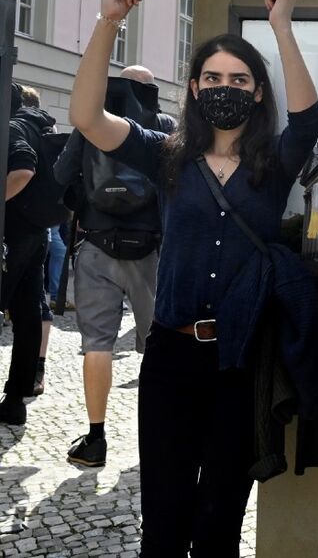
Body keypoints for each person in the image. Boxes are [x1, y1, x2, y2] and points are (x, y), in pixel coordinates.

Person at [69, 0, 318, 556]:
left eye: (239, 79)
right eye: (213, 78)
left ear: (259, 92)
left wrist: (281, 24)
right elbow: (87, 117)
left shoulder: (273, 162)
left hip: (241, 359)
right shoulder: (167, 153)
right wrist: (109, 21)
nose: (224, 88)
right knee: (163, 518)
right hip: (171, 356)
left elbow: (308, 120)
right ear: (192, 87)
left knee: (219, 524)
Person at [54, 65, 175, 467]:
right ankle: (160, 443)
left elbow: (60, 175)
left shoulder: (93, 122)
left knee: (98, 345)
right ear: (152, 90)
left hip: (97, 247)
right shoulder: (164, 124)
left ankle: (95, 439)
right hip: (152, 250)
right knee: (158, 348)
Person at [0, 83, 55, 426]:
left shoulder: (11, 127)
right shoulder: (40, 125)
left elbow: (23, 169)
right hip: (37, 230)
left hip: (13, 233)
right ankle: (16, 400)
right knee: (27, 314)